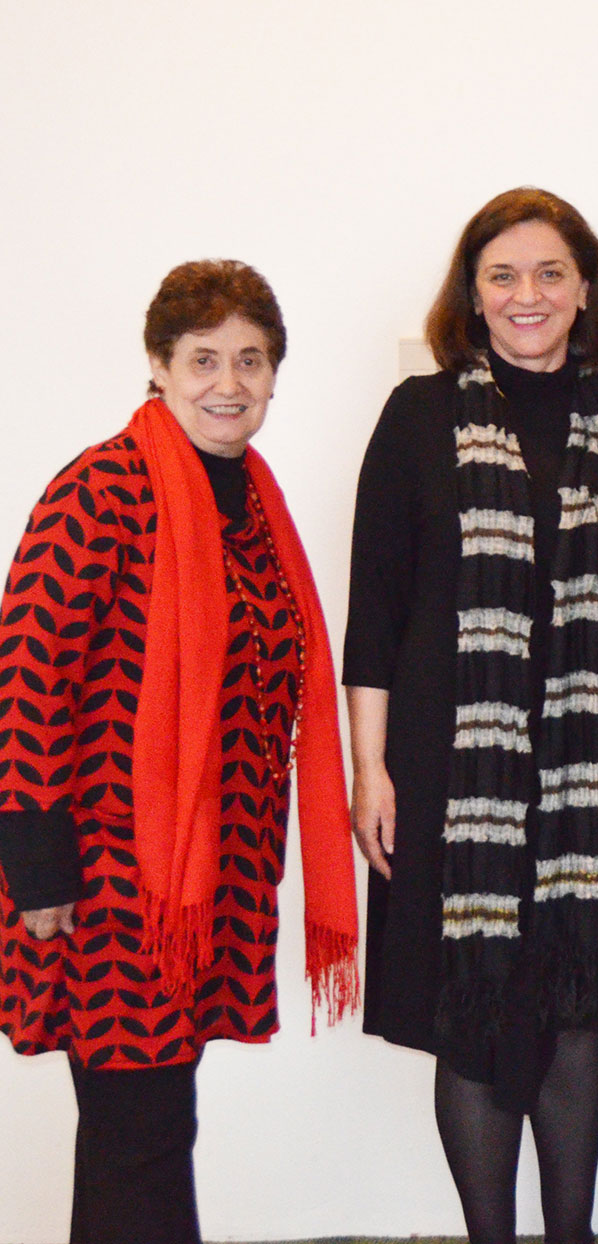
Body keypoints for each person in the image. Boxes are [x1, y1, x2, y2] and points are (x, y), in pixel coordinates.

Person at [343, 187, 598, 1244]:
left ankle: (569, 1235)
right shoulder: (418, 414)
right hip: (454, 771)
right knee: (474, 1007)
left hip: (588, 769)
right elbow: (376, 604)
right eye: (502, 275)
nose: (526, 295)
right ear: (472, 294)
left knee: (574, 1009)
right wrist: (370, 768)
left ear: (584, 290)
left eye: (548, 273)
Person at [0, 259, 357, 1244]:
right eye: (204, 359)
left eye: (250, 359)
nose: (228, 383)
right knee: (138, 1129)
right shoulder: (101, 491)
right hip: (110, 876)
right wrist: (36, 865)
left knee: (149, 1125)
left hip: (205, 878)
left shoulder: (249, 504)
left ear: (275, 373)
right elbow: (25, 677)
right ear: (159, 365)